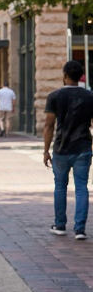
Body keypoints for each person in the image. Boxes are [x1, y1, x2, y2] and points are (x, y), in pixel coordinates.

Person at [44, 61, 93, 240]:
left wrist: (46, 151)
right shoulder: (90, 96)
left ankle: (60, 225)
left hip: (61, 148)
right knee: (81, 187)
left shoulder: (54, 96)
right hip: (83, 147)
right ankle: (80, 229)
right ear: (81, 77)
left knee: (60, 186)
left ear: (64, 75)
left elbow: (49, 125)